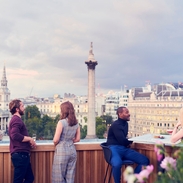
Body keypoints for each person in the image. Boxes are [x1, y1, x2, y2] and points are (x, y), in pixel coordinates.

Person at [107, 106, 150, 183]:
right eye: (126, 112)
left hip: (124, 149)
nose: (129, 114)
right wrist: (131, 141)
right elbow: (122, 140)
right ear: (120, 114)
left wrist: (129, 142)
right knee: (117, 164)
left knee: (145, 161)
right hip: (114, 149)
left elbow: (124, 141)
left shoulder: (126, 124)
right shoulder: (115, 125)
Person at [9, 99, 36, 183]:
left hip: (22, 155)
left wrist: (28, 141)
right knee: (18, 180)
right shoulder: (16, 120)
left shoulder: (15, 119)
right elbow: (14, 135)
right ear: (17, 109)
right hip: (20, 155)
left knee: (29, 178)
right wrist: (30, 139)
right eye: (22, 106)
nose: (24, 108)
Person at [52, 101, 80, 183]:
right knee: (70, 177)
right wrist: (70, 141)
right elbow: (77, 139)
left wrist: (56, 144)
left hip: (62, 150)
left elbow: (55, 139)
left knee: (59, 177)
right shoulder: (76, 123)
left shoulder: (61, 122)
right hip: (72, 150)